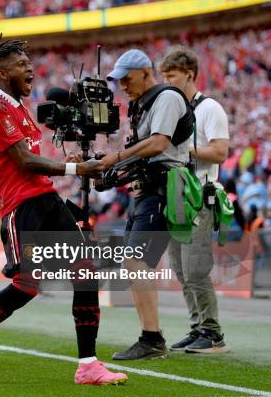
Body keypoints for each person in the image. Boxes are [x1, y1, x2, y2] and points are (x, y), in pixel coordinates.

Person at [0, 35, 127, 385]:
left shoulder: (18, 107)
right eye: (22, 65)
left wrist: (66, 162)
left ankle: (87, 364)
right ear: (0, 71)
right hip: (19, 206)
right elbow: (24, 162)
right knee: (25, 286)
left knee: (86, 272)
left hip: (46, 199)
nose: (30, 70)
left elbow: (32, 161)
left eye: (30, 64)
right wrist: (76, 170)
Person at [102, 49, 193, 360]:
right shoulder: (143, 103)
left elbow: (158, 143)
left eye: (126, 78)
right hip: (148, 191)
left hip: (164, 190)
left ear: (144, 71)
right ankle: (148, 337)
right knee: (132, 263)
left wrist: (116, 158)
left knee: (137, 263)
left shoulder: (166, 97)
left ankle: (151, 338)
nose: (122, 85)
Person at [160, 48, 230, 354]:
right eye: (163, 77)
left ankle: (213, 334)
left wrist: (182, 151)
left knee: (195, 267)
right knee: (179, 267)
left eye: (171, 76)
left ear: (190, 74)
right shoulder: (175, 109)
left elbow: (220, 152)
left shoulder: (209, 108)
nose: (167, 82)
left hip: (200, 194)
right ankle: (197, 326)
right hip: (177, 194)